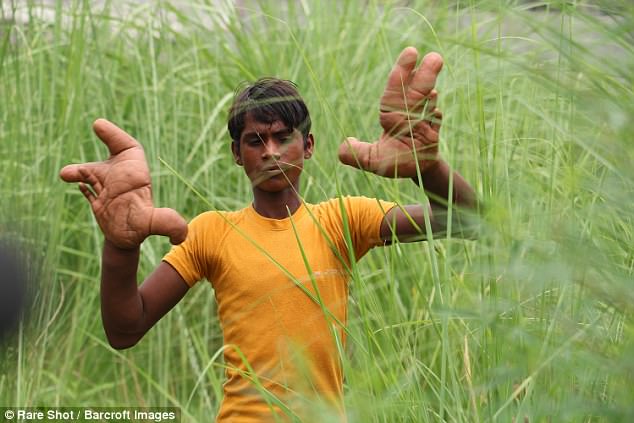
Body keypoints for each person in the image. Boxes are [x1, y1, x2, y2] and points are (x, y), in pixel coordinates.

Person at [59, 47, 476, 422]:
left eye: (283, 137)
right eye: (255, 141)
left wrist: (429, 168)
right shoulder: (211, 233)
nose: (271, 152)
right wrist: (120, 245)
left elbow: (471, 220)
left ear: (308, 145)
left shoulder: (343, 221)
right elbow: (125, 329)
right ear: (237, 154)